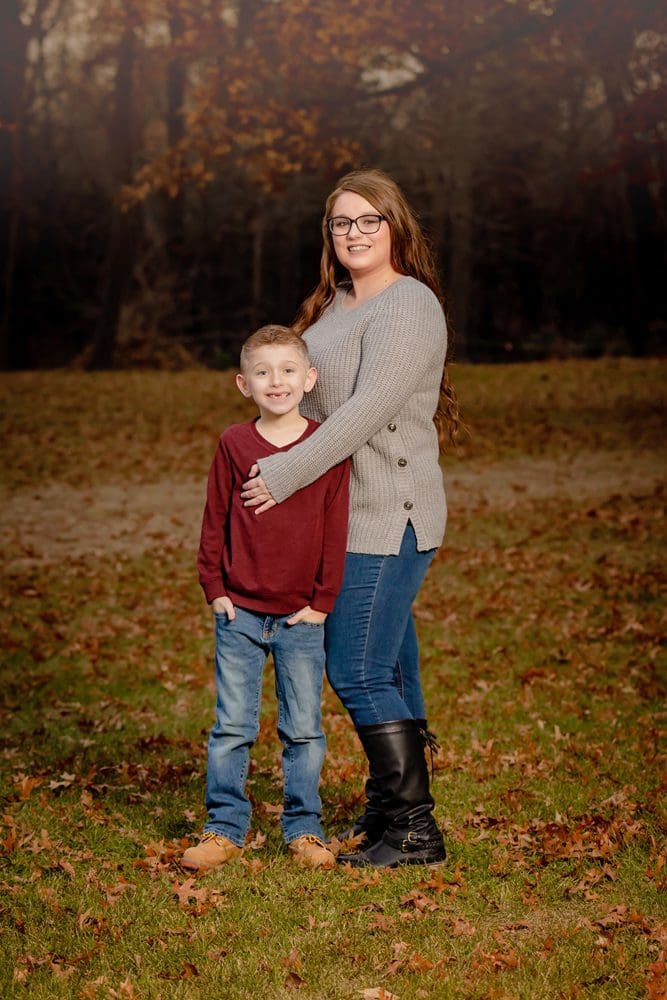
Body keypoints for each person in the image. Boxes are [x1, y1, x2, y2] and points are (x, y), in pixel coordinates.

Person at [241, 168, 461, 868]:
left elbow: (366, 412)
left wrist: (281, 473)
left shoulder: (408, 305)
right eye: (342, 222)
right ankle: (390, 812)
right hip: (340, 516)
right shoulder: (333, 306)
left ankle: (415, 832)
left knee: (359, 669)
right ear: (328, 236)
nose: (355, 233)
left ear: (395, 226)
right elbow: (303, 402)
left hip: (385, 515)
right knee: (389, 666)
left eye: (369, 220)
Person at [182, 325, 350, 872]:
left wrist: (323, 601)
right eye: (262, 372)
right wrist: (215, 588)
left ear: (309, 378)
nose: (275, 381)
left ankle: (304, 829)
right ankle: (224, 827)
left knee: (303, 728)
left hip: (302, 615)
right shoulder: (234, 443)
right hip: (241, 612)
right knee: (232, 725)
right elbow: (215, 520)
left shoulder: (326, 445)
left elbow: (334, 527)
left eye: (286, 370)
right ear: (243, 383)